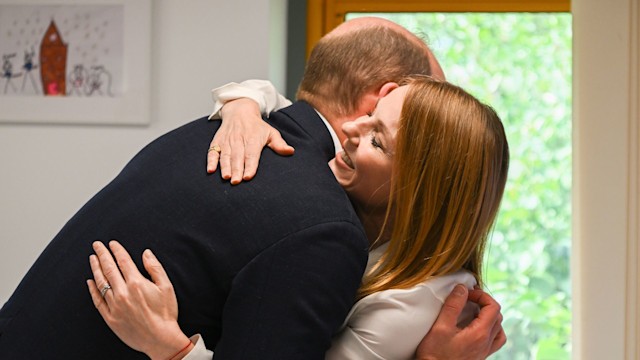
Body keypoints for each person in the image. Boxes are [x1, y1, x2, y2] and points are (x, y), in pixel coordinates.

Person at [0, 17, 501, 359]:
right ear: (383, 92)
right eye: (377, 115)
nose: (355, 131)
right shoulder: (323, 229)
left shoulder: (204, 133)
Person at [87, 76, 509, 359]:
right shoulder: (377, 226)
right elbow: (274, 96)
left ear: (420, 193)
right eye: (370, 114)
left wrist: (168, 345)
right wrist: (244, 107)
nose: (349, 129)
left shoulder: (413, 306)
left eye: (377, 140)